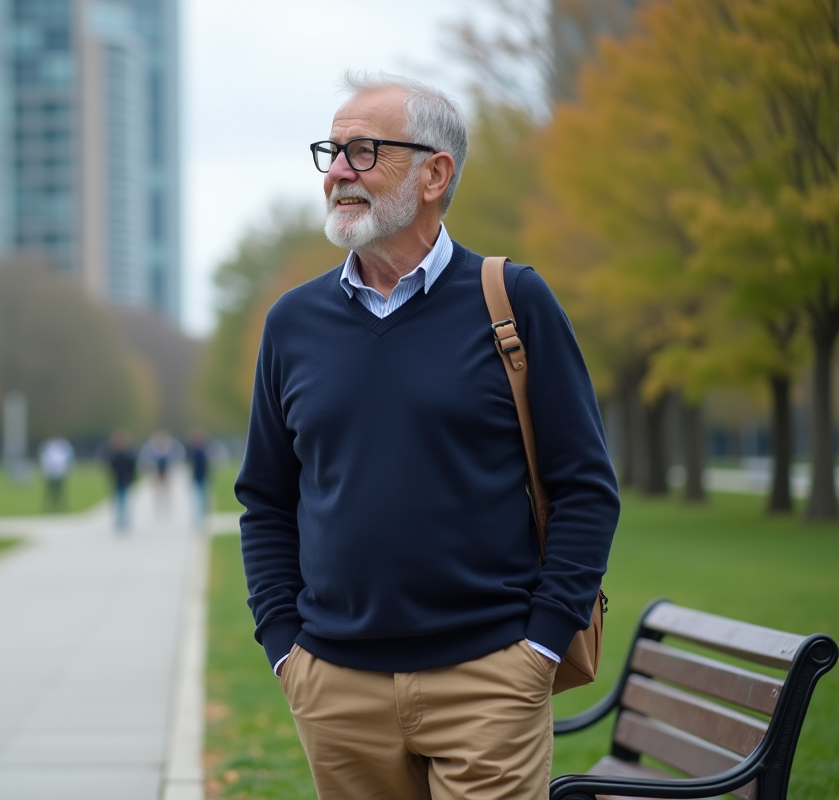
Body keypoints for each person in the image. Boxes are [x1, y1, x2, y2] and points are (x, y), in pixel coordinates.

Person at [235, 71, 620, 800]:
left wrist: (539, 646)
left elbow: (586, 489)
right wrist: (286, 649)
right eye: (332, 152)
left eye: (363, 151)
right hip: (335, 689)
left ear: (435, 173)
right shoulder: (291, 323)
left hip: (489, 681)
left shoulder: (514, 301)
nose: (338, 172)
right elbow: (265, 499)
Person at [104, 429, 137, 532]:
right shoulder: (115, 454)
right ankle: (120, 520)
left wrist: (131, 477)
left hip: (125, 479)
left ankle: (122, 520)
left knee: (123, 500)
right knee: (120, 500)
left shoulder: (128, 454)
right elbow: (111, 467)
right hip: (118, 479)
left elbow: (132, 467)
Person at [184, 430, 215, 530]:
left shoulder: (204, 450)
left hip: (203, 477)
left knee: (203, 499)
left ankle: (202, 518)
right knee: (198, 498)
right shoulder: (192, 451)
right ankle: (198, 519)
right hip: (196, 477)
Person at [38, 436, 75, 511]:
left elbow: (66, 461)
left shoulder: (63, 449)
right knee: (49, 491)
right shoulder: (49, 448)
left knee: (60, 491)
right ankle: (48, 506)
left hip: (60, 473)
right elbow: (45, 461)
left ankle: (62, 506)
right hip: (51, 474)